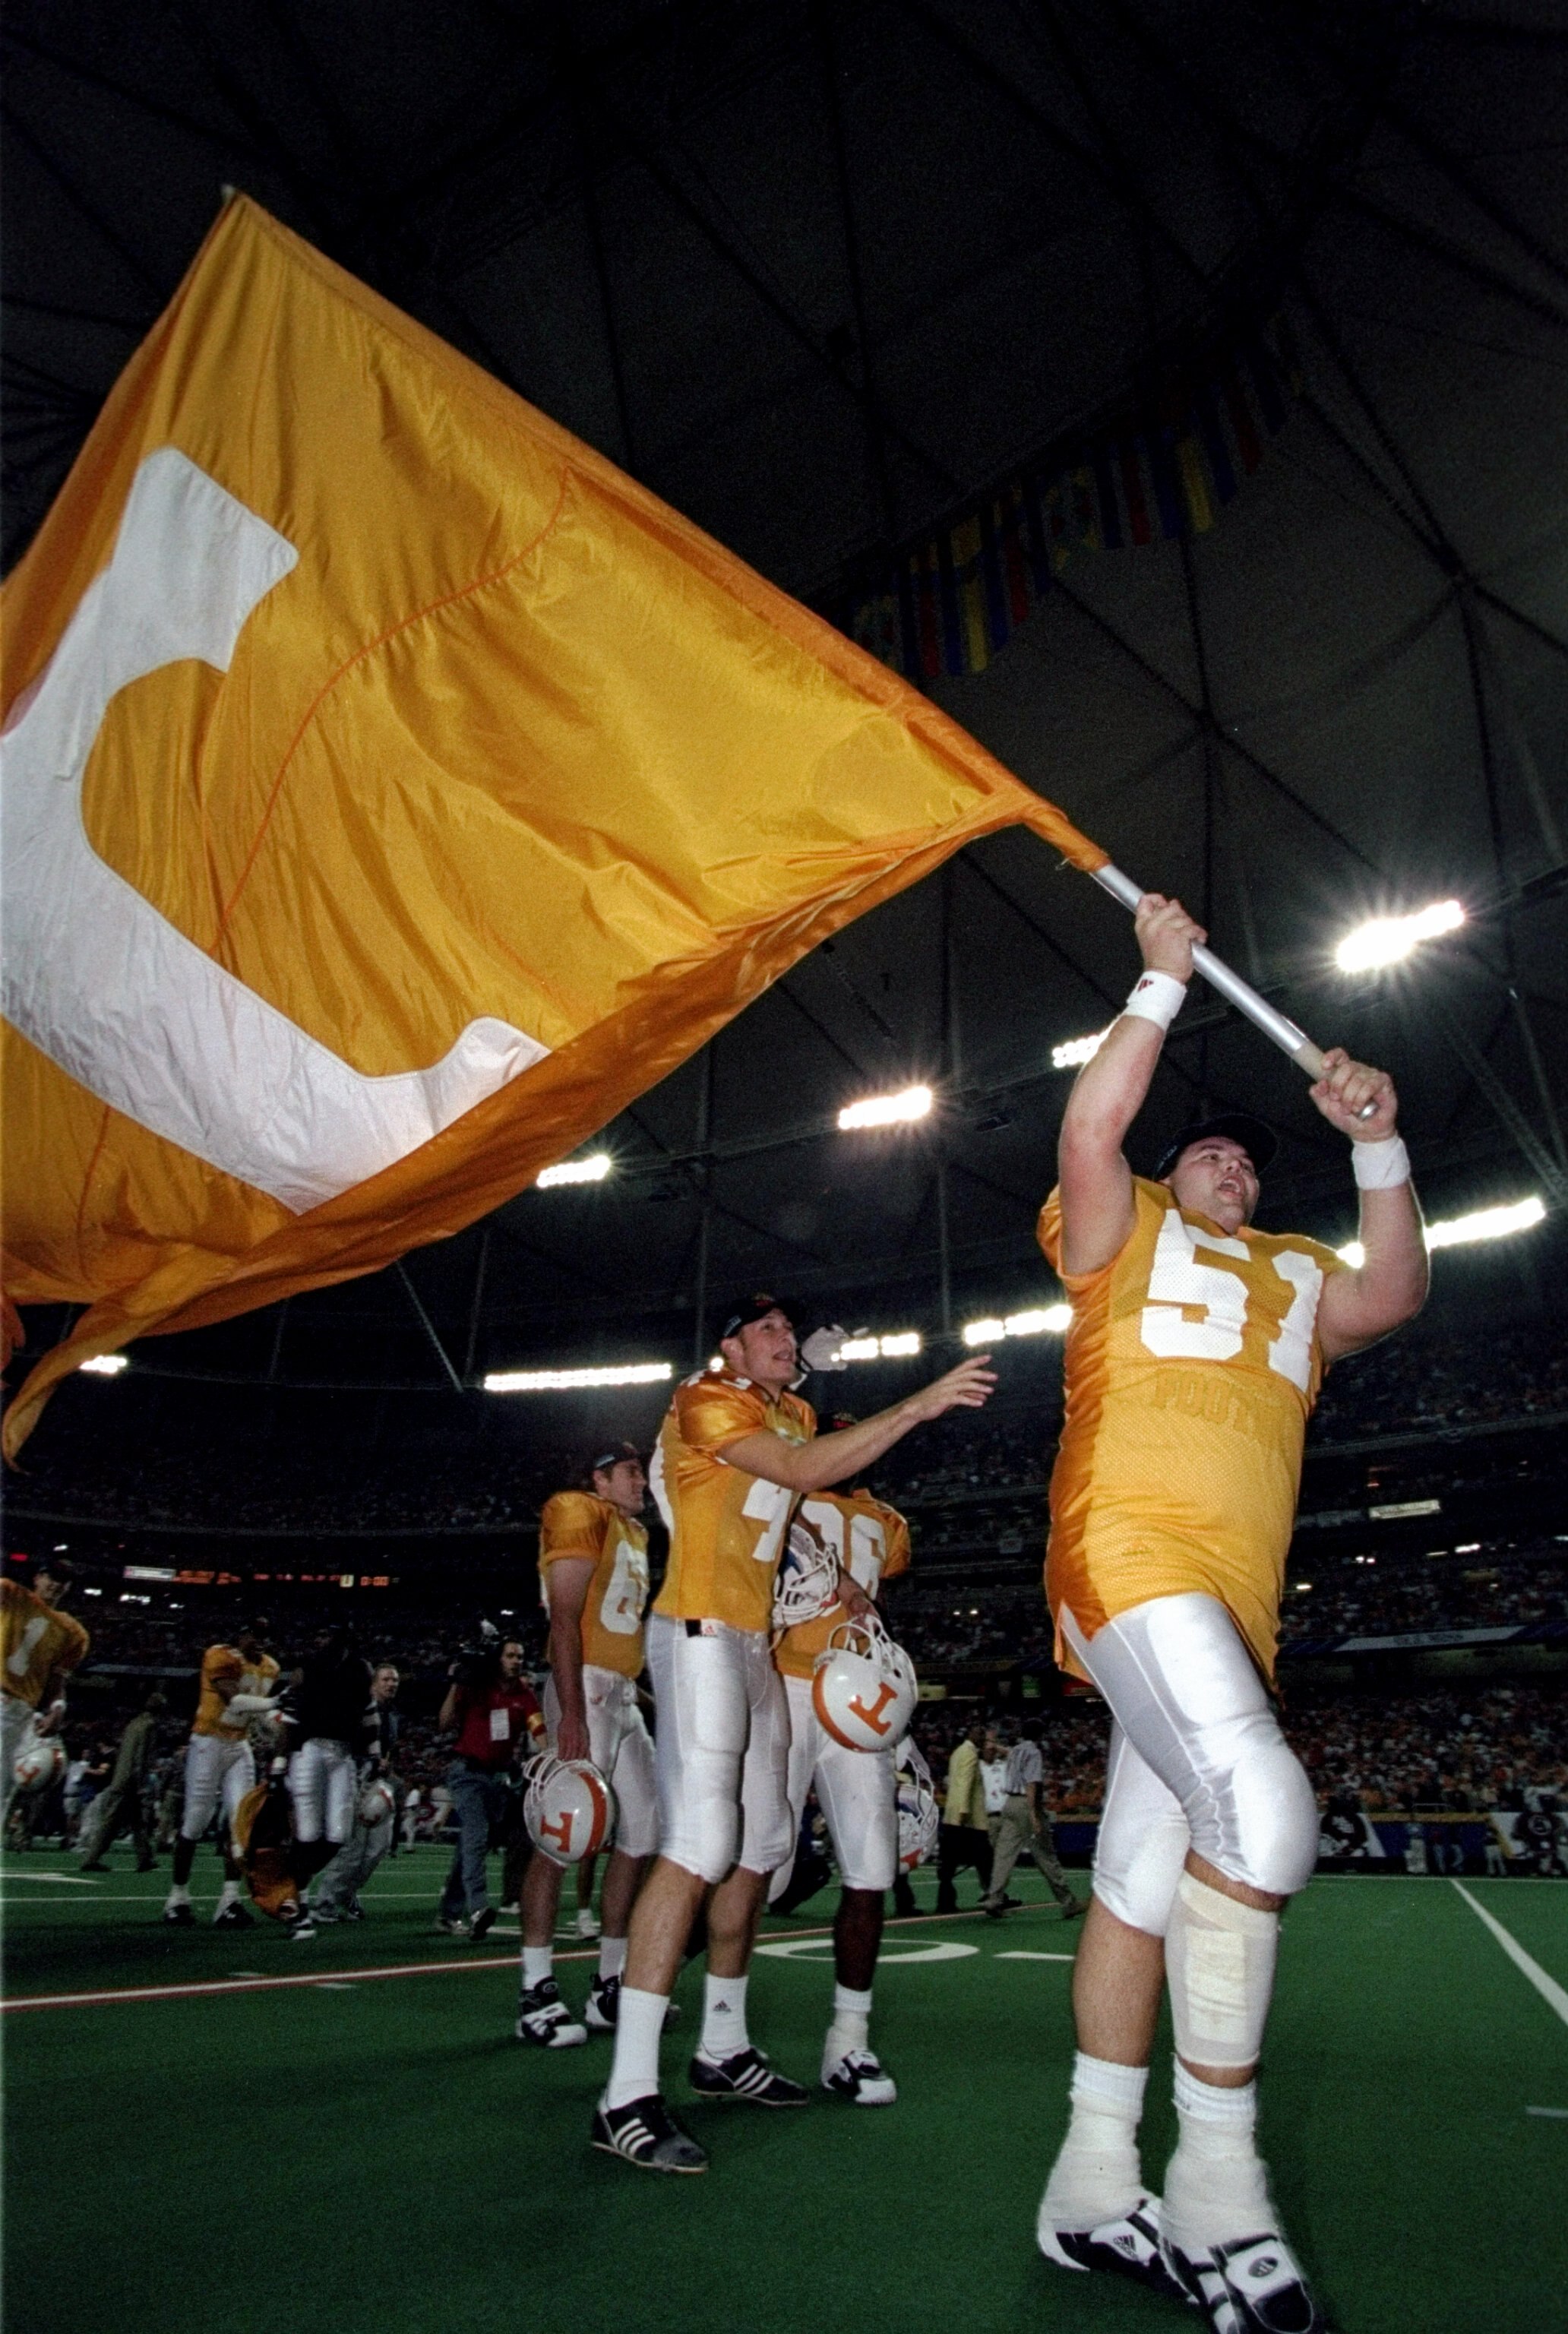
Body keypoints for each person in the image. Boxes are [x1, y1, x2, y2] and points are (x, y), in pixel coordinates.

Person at [1034, 891, 1426, 2329]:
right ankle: (1213, 2187)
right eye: (1207, 1149)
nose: (1227, 1168)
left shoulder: (1298, 1273)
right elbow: (1089, 1135)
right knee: (1259, 1812)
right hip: (1123, 1548)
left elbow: (1392, 1289)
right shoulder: (1117, 1222)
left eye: (1244, 1161)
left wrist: (1372, 1139)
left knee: (1144, 1885)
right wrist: (1151, 988)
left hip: (1229, 1601)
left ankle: (1086, 2182)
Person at [593, 1292, 994, 2174]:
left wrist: (831, 1585)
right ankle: (623, 2091)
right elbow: (803, 1471)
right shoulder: (703, 1400)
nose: (786, 1342)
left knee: (766, 1844)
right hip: (695, 1629)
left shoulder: (790, 1403)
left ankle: (722, 2044)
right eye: (766, 1330)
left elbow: (800, 1440)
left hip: (755, 1645)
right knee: (698, 1843)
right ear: (727, 1346)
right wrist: (919, 1401)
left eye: (789, 1332)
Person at [768, 1472, 913, 2104]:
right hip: (799, 1681)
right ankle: (706, 2017)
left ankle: (849, 2041)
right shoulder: (885, 1520)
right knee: (753, 1866)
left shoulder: (810, 1497)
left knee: (870, 1869)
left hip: (848, 1687)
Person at [517, 1443, 659, 2048]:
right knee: (562, 1838)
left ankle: (608, 1984)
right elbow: (565, 1618)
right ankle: (536, 1991)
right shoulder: (578, 1511)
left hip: (621, 1693)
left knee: (646, 1834)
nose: (642, 1482)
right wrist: (571, 1709)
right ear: (598, 1477)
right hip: (587, 1689)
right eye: (630, 1472)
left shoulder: (634, 1533)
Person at [163, 1619, 279, 1928]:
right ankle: (177, 1898)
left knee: (241, 1823)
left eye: (266, 1636)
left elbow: (262, 1716)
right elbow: (235, 1700)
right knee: (196, 1821)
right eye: (255, 1634)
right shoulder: (219, 1655)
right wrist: (278, 1702)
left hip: (239, 1745)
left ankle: (229, 1901)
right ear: (241, 1634)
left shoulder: (270, 1667)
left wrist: (280, 1724)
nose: (261, 1641)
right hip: (208, 1742)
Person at [435, 1634, 542, 1941]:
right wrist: (457, 1683)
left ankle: (448, 1912)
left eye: (519, 1656)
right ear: (499, 1659)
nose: (516, 1661)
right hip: (468, 1774)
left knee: (471, 1843)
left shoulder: (524, 1695)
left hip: (498, 1781)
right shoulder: (478, 1687)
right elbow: (443, 1724)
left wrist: (551, 1761)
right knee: (476, 1835)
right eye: (510, 1655)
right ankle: (478, 1908)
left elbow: (539, 1729)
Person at [283, 1626, 373, 1940]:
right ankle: (299, 1905)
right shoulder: (308, 1667)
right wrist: (281, 1762)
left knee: (338, 1834)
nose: (319, 1640)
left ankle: (292, 1884)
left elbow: (368, 1713)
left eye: (325, 1635)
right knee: (308, 1833)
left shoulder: (360, 1670)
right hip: (310, 1750)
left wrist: (374, 1755)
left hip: (343, 1753)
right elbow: (290, 1715)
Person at [308, 1660, 401, 1923]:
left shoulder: (392, 1715)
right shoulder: (358, 1708)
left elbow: (388, 1748)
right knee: (353, 1848)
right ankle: (325, 1902)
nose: (391, 1684)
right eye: (386, 1679)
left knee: (378, 1848)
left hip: (376, 1783)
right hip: (355, 1779)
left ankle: (347, 1894)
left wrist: (384, 1765)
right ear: (373, 1684)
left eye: (395, 1680)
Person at [1, 1559, 89, 1830]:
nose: (57, 1584)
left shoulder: (73, 1633)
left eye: (64, 1581)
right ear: (38, 1577)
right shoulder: (10, 1593)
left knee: (2, 1792)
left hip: (17, 1710)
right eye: (52, 1576)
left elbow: (57, 1679)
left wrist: (58, 1708)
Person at [979, 1715, 1083, 1920]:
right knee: (1045, 1856)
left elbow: (1007, 1752)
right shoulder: (1034, 1753)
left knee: (1004, 1855)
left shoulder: (1016, 1751)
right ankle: (1068, 1902)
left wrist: (993, 1745)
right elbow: (1032, 1784)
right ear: (1039, 1735)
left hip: (1008, 1805)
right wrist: (1035, 1816)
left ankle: (993, 1898)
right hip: (1026, 1806)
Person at [78, 1691, 166, 1871]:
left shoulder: (134, 1724)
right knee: (111, 1821)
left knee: (137, 1821)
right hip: (130, 1781)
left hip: (122, 1777)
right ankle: (91, 1859)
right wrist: (141, 1783)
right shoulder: (150, 1726)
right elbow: (141, 1757)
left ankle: (145, 1858)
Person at [934, 1721, 992, 1913]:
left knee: (949, 1862)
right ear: (972, 1735)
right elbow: (966, 1783)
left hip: (952, 1815)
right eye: (980, 1734)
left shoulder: (958, 1752)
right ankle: (994, 1895)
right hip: (969, 1819)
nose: (983, 1738)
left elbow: (956, 1782)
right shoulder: (970, 1754)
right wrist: (964, 1811)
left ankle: (945, 1901)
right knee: (985, 1858)